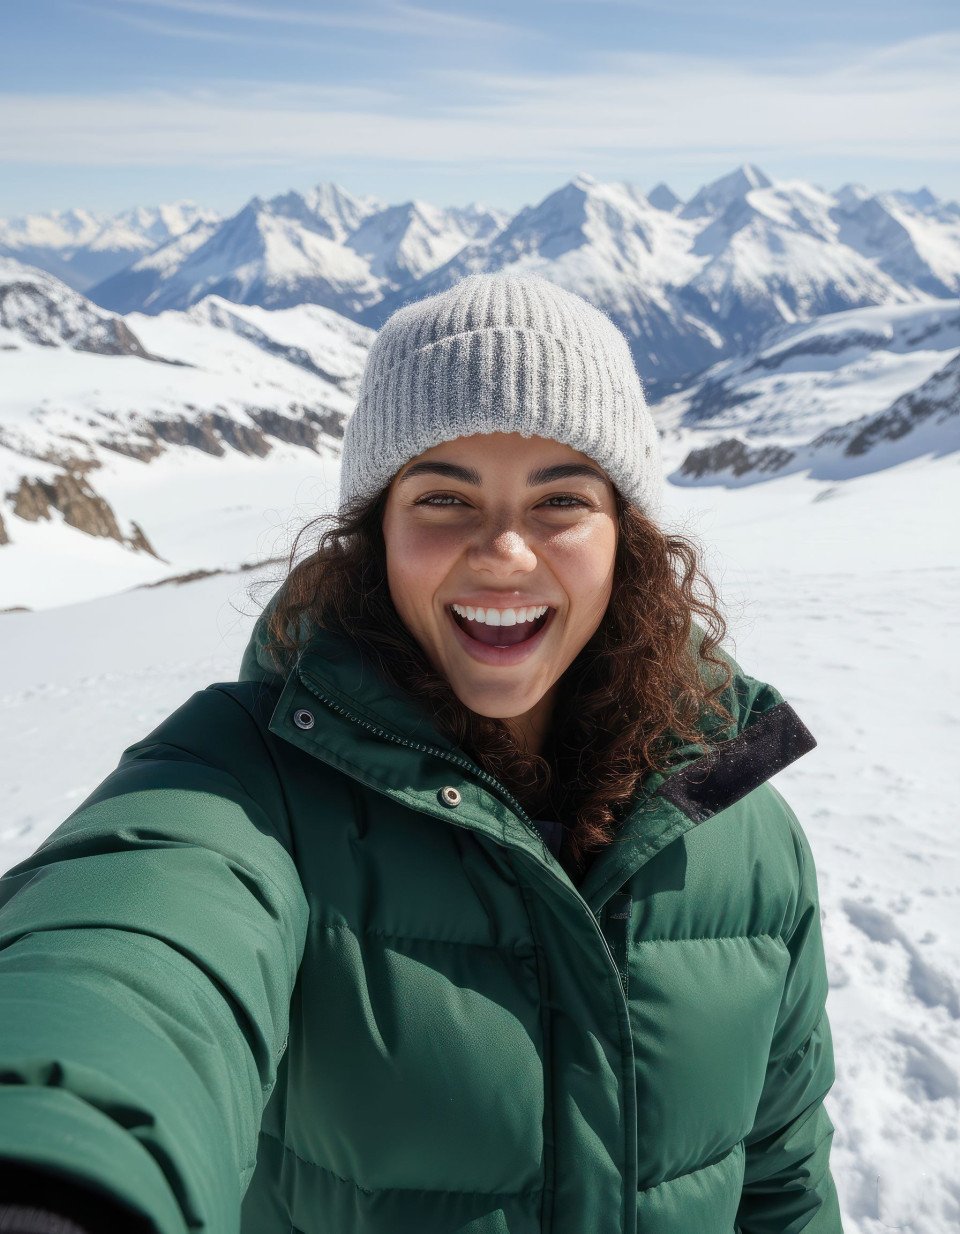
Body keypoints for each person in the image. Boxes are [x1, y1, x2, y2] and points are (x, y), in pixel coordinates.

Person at [0, 271, 843, 1233]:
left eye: (561, 501)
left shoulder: (743, 832)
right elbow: (130, 946)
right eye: (444, 497)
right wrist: (61, 1167)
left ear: (627, 539)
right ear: (376, 533)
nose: (505, 553)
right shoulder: (253, 779)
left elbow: (780, 1178)